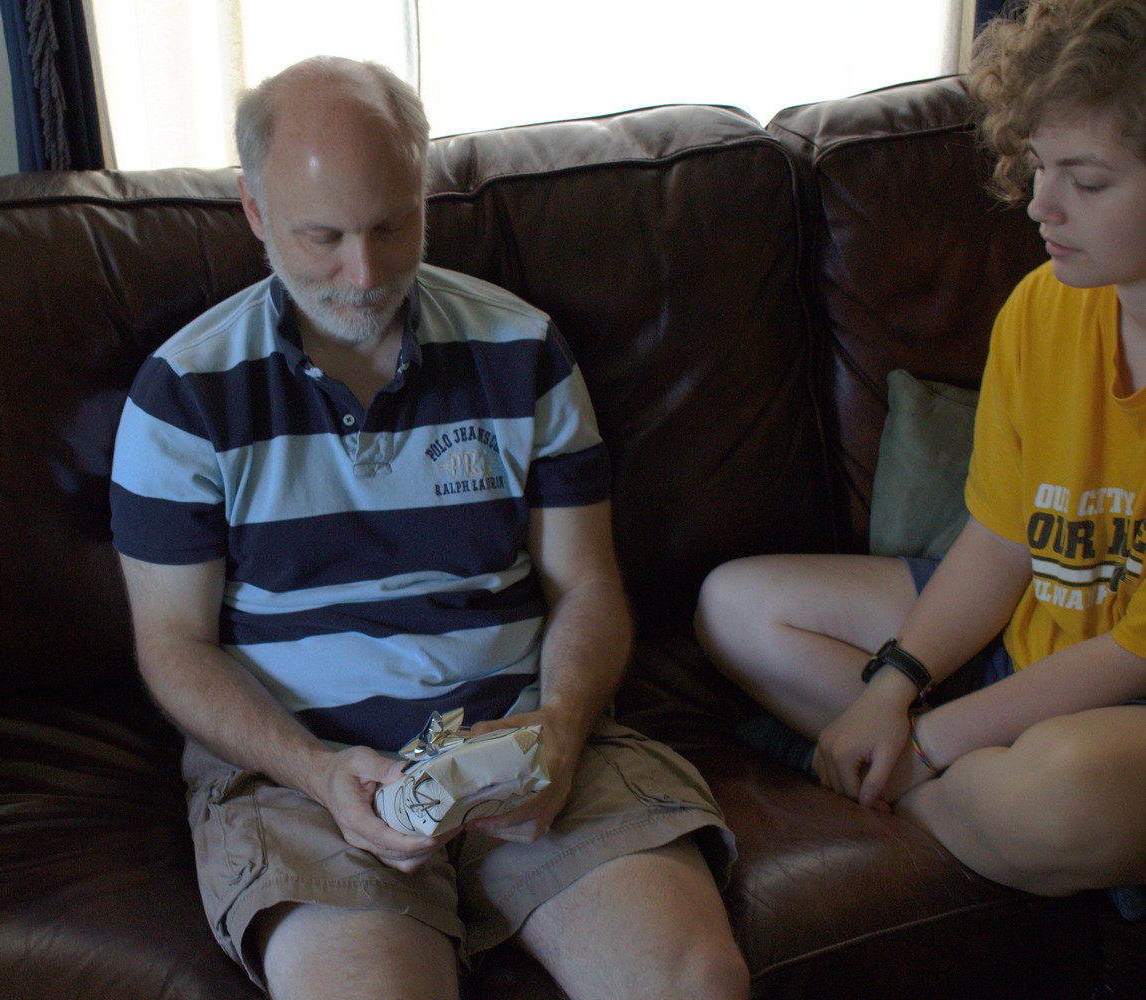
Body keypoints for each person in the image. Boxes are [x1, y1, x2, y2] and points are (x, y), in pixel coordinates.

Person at [110, 55, 747, 1000]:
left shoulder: (522, 349)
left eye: (392, 225)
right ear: (255, 210)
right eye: (323, 237)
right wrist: (317, 772)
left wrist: (562, 730)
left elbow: (587, 585)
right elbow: (173, 647)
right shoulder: (183, 395)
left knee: (695, 984)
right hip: (299, 770)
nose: (364, 274)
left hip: (524, 737)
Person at [695, 0, 1146, 921]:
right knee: (734, 604)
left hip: (1120, 705)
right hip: (1029, 636)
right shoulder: (1045, 305)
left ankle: (907, 789)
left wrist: (929, 741)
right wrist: (895, 684)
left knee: (1066, 787)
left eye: (1087, 181)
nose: (1041, 205)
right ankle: (963, 798)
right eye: (1039, 167)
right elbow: (1003, 537)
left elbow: (1135, 651)